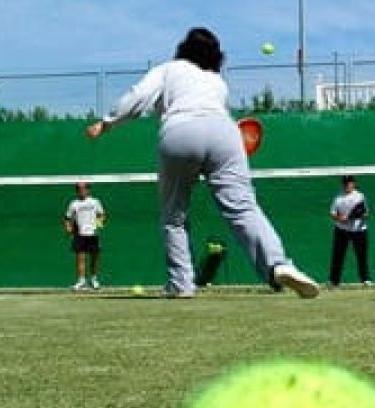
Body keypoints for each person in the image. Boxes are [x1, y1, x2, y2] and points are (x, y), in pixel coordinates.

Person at [85, 27, 318, 299]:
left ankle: (181, 284)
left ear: (183, 48)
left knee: (174, 215)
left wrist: (107, 122)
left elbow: (138, 96)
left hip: (180, 131)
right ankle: (277, 265)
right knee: (243, 209)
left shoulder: (169, 69)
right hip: (225, 134)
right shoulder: (216, 81)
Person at [329, 174, 372, 287]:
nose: (348, 185)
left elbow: (366, 213)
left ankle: (366, 280)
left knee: (362, 256)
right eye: (346, 183)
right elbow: (332, 213)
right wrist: (340, 219)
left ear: (354, 184)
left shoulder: (360, 196)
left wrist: (360, 216)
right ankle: (334, 281)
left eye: (350, 183)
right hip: (341, 231)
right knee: (338, 256)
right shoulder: (338, 198)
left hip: (359, 231)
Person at [63, 181, 106, 290]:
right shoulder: (74, 203)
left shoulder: (95, 202)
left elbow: (101, 214)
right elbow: (67, 218)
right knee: (80, 258)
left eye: (83, 188)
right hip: (79, 234)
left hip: (93, 233)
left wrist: (99, 223)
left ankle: (94, 279)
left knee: (94, 258)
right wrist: (68, 227)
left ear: (88, 190)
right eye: (78, 189)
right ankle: (81, 281)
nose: (81, 191)